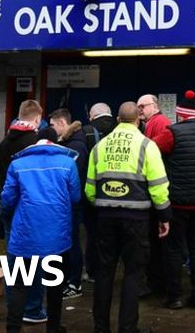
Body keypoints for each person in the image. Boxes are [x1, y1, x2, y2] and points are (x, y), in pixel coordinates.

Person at [87, 101, 171, 333]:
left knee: (104, 272)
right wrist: (164, 215)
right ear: (138, 120)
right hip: (137, 219)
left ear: (117, 120)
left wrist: (102, 205)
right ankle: (128, 328)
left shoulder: (100, 146)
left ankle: (100, 328)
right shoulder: (147, 145)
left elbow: (90, 189)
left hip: (105, 217)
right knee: (133, 274)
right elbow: (158, 186)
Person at [1, 131, 81, 333]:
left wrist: (9, 218)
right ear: (55, 142)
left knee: (19, 284)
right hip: (57, 236)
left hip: (25, 235)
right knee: (54, 285)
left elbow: (7, 199)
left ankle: (13, 328)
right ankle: (53, 327)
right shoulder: (67, 163)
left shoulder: (18, 164)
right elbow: (75, 197)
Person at [152, 90, 195, 310]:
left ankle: (175, 296)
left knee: (173, 249)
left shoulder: (171, 133)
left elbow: (150, 152)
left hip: (177, 202)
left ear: (179, 114)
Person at [0, 100, 49, 323]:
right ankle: (33, 308)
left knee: (13, 260)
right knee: (35, 259)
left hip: (8, 204)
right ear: (37, 118)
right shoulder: (36, 143)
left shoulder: (4, 142)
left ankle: (14, 307)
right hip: (30, 207)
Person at [48, 108, 90, 299]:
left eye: (53, 125)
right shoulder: (71, 142)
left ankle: (74, 283)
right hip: (68, 201)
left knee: (72, 242)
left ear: (62, 123)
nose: (52, 129)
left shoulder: (76, 146)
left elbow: (73, 177)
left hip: (73, 202)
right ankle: (67, 279)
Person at [137, 93, 170, 297]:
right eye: (138, 106)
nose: (140, 109)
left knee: (155, 243)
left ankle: (155, 283)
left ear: (154, 106)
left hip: (155, 191)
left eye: (144, 106)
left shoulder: (159, 123)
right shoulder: (152, 123)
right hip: (155, 191)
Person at [81, 102, 116, 280]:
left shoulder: (86, 131)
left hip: (94, 192)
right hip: (123, 193)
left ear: (92, 115)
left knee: (94, 233)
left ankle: (94, 271)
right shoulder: (123, 128)